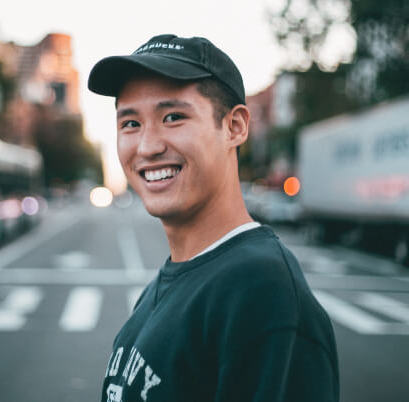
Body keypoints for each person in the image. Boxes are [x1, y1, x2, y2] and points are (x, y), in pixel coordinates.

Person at [88, 34, 339, 402]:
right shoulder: (172, 280)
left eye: (173, 117)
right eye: (130, 124)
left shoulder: (261, 291)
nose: (147, 146)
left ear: (234, 127)